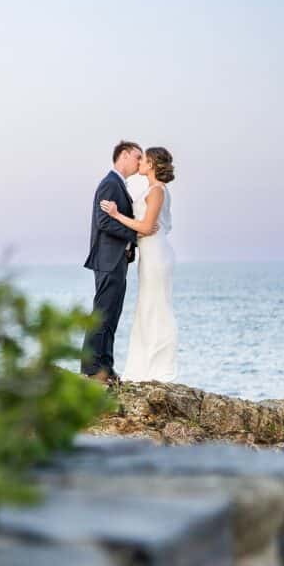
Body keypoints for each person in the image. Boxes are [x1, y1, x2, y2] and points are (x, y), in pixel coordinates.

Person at [81, 141, 157, 387]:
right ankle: (92, 367)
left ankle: (105, 365)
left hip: (118, 259)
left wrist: (130, 248)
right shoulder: (109, 184)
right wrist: (134, 236)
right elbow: (104, 221)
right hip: (107, 258)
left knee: (112, 313)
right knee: (102, 312)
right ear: (123, 156)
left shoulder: (118, 185)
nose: (139, 161)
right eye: (137, 156)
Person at [100, 146, 177, 382]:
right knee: (146, 306)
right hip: (149, 253)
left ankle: (161, 367)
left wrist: (116, 214)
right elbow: (155, 225)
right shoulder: (151, 190)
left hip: (156, 255)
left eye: (144, 159)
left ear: (152, 164)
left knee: (157, 307)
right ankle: (143, 367)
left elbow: (145, 227)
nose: (140, 162)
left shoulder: (157, 191)